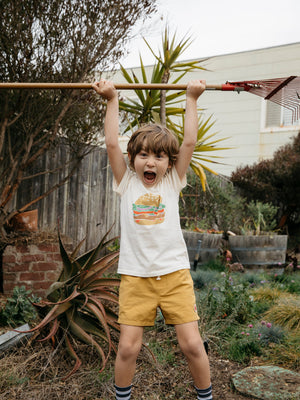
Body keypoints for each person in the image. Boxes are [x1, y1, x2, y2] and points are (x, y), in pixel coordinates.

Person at [92, 79, 213, 400]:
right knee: (129, 347)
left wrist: (191, 98)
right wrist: (112, 99)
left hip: (174, 276)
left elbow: (188, 143)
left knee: (191, 344)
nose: (150, 162)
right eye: (143, 155)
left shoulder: (172, 182)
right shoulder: (126, 182)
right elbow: (112, 144)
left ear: (169, 164)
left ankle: (206, 397)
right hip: (135, 278)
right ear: (133, 160)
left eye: (159, 157)